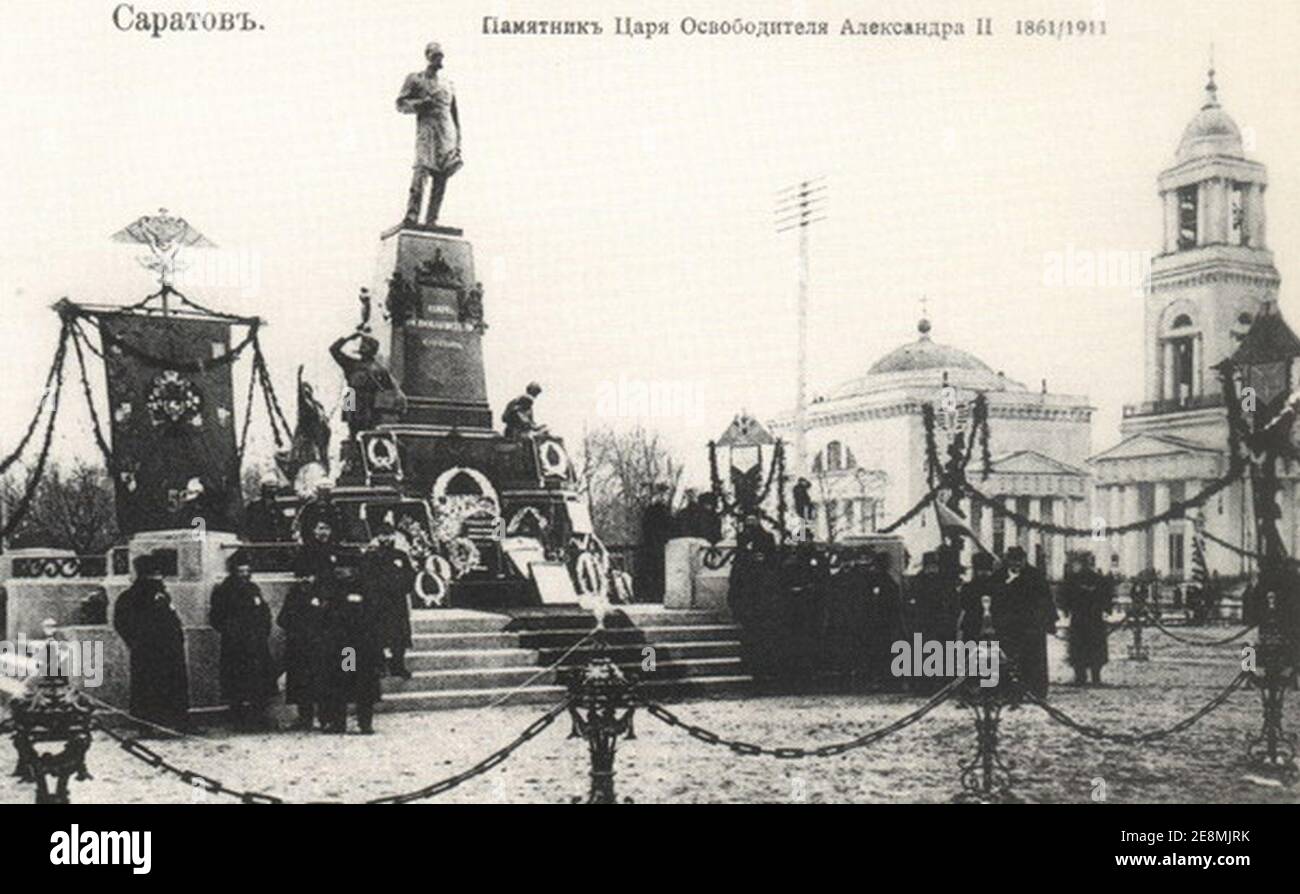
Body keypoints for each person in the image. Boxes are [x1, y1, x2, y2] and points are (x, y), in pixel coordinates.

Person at [113, 553, 189, 733]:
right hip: (148, 650)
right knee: (147, 687)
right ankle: (146, 724)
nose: (158, 579)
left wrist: (177, 636)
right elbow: (122, 623)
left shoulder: (162, 595)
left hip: (170, 650)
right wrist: (136, 642)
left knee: (172, 685)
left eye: (158, 575)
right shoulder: (130, 597)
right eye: (153, 575)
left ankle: (176, 721)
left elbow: (171, 618)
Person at [397, 41, 463, 226]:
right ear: (427, 56)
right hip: (427, 133)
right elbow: (400, 104)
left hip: (447, 134)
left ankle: (432, 219)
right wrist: (420, 104)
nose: (439, 58)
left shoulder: (448, 84)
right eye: (435, 55)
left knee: (442, 177)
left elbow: (455, 116)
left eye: (441, 55)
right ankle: (412, 215)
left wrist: (458, 143)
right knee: (421, 171)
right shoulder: (415, 79)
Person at [208, 550, 276, 727]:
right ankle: (237, 718)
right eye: (240, 571)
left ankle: (258, 717)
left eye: (247, 571)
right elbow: (216, 617)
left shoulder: (253, 588)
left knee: (258, 682)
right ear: (234, 572)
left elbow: (264, 611)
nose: (244, 575)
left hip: (256, 642)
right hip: (236, 645)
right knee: (236, 682)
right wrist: (231, 632)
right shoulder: (224, 590)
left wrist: (263, 630)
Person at [277, 545, 337, 731]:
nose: (305, 579)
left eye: (308, 576)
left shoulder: (323, 595)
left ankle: (326, 719)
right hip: (299, 646)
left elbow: (330, 619)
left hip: (319, 646)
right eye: (301, 576)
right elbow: (282, 619)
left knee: (322, 682)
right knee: (301, 685)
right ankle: (305, 718)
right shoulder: (293, 595)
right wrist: (297, 627)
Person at [321, 565, 385, 734]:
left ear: (354, 570)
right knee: (343, 681)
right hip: (346, 649)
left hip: (363, 647)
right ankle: (338, 722)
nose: (339, 571)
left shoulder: (366, 589)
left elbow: (374, 617)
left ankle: (365, 723)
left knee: (364, 684)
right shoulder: (334, 589)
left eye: (344, 568)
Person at [990, 546, 1057, 699]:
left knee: (1033, 659)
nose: (1016, 564)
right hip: (1007, 626)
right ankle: (1008, 690)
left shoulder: (1035, 576)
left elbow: (1045, 599)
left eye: (1019, 561)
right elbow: (993, 599)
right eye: (1012, 561)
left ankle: (1035, 690)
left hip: (1030, 626)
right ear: (1007, 561)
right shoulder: (998, 576)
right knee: (1007, 658)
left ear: (1024, 560)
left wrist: (1048, 621)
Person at [364, 523, 416, 678]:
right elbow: (366, 578)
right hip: (378, 602)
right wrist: (377, 592)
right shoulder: (371, 556)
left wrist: (401, 588)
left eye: (389, 534)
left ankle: (398, 665)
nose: (386, 538)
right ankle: (379, 665)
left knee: (399, 635)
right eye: (383, 535)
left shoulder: (401, 555)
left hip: (397, 602)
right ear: (377, 537)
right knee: (378, 634)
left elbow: (409, 575)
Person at [330, 333, 407, 438]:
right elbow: (334, 350)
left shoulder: (376, 369)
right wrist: (349, 337)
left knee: (363, 432)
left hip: (365, 403)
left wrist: (349, 338)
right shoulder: (353, 364)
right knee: (355, 432)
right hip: (353, 399)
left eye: (365, 345)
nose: (363, 347)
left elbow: (387, 389)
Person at [1059, 553, 1114, 686]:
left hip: (1083, 618)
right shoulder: (1097, 579)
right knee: (1091, 647)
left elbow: (1065, 596)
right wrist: (1106, 609)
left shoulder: (1074, 579)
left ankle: (1084, 676)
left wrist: (1066, 609)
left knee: (1082, 647)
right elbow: (1106, 597)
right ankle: (1091, 676)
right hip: (1091, 618)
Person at [860, 551, 905, 688]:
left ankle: (879, 679)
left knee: (878, 651)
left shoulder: (875, 580)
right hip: (883, 622)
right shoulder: (886, 581)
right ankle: (884, 679)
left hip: (878, 622)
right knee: (883, 651)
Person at [635, 483, 674, 602]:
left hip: (654, 545)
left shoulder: (652, 510)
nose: (663, 496)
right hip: (657, 545)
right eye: (662, 494)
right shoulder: (659, 510)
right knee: (657, 570)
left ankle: (654, 595)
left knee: (655, 571)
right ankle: (656, 595)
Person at [243, 479, 285, 543]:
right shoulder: (253, 507)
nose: (272, 490)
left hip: (272, 543)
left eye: (274, 488)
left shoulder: (277, 508)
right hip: (256, 543)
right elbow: (246, 526)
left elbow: (282, 527)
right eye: (270, 487)